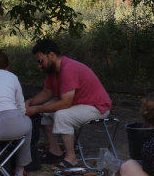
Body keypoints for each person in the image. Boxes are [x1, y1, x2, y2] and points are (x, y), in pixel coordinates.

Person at [24, 39, 112, 168]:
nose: (39, 65)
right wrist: (29, 102)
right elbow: (47, 92)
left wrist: (37, 109)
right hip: (79, 104)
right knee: (44, 112)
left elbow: (65, 103)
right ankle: (55, 151)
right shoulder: (53, 71)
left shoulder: (68, 69)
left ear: (52, 55)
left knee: (62, 115)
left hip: (97, 107)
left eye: (40, 61)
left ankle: (71, 158)